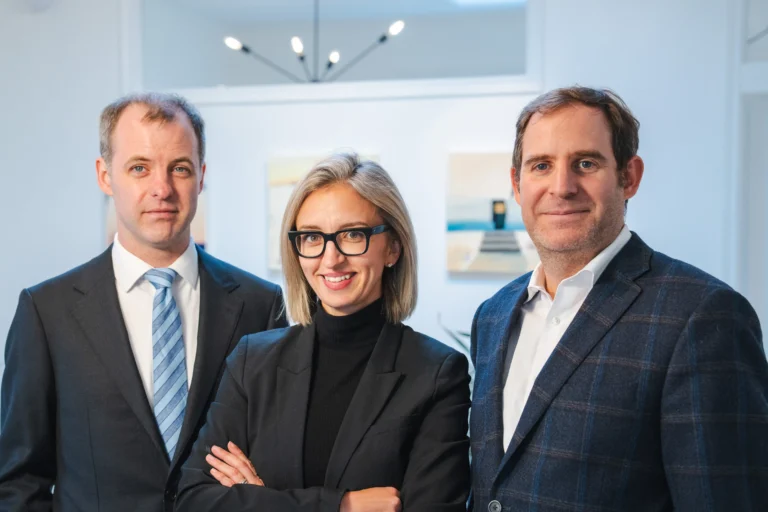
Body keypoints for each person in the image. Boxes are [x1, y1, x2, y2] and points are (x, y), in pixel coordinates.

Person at [469, 86, 768, 511]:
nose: (562, 186)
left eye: (585, 163)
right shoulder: (493, 316)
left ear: (629, 177)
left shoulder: (701, 316)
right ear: (517, 184)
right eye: (541, 165)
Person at [0, 93, 287, 512]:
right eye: (139, 168)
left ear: (202, 176)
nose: (162, 188)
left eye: (180, 168)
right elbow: (18, 482)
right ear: (104, 176)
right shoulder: (47, 313)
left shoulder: (260, 305)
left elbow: (281, 452)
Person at [175, 152, 471, 512]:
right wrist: (342, 506)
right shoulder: (253, 361)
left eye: (352, 234)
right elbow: (193, 500)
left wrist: (259, 500)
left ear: (392, 246)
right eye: (313, 237)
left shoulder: (437, 373)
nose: (331, 259)